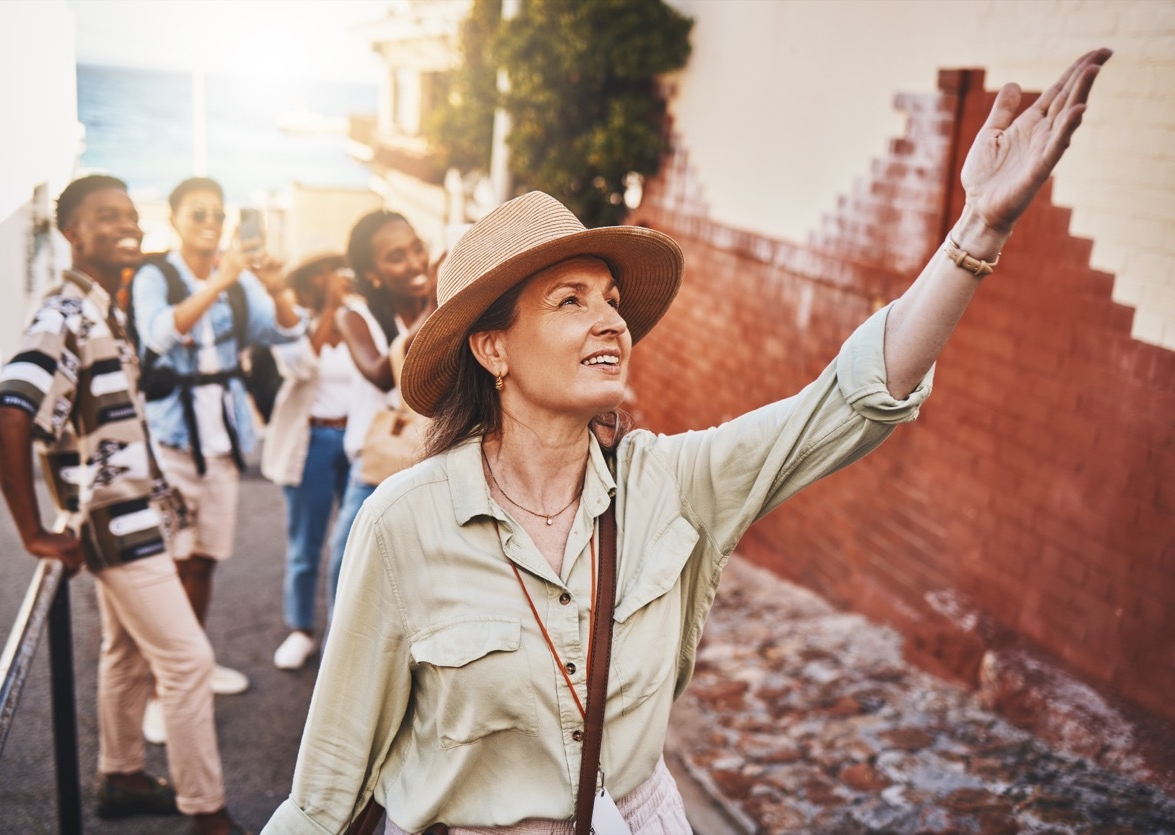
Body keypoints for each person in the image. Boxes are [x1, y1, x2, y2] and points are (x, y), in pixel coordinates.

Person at [264, 49, 1111, 834]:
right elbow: (326, 786)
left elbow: (847, 401)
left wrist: (977, 234)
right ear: (492, 349)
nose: (611, 321)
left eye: (611, 299)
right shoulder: (403, 525)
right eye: (570, 301)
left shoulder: (670, 483)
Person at [0, 175, 248, 835]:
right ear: (71, 233)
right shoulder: (65, 314)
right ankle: (206, 812)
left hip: (135, 516)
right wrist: (35, 532)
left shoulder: (106, 309)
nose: (125, 225)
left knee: (126, 651)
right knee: (186, 662)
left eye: (131, 215)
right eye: (105, 216)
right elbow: (10, 411)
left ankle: (122, 774)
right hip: (116, 525)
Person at [131, 177, 305, 719]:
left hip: (223, 443)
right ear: (175, 218)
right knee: (171, 567)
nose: (209, 222)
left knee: (204, 562)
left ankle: (194, 668)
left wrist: (275, 288)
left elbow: (287, 338)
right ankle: (165, 689)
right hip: (172, 442)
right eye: (197, 213)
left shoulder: (238, 282)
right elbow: (158, 334)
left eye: (216, 214)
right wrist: (221, 280)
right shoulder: (155, 275)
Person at [323, 211, 435, 618]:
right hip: (375, 471)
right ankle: (339, 671)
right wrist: (437, 306)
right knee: (348, 578)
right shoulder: (354, 316)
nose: (415, 263)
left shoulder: (443, 307)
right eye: (396, 257)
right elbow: (378, 373)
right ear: (371, 273)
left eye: (416, 248)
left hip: (430, 466)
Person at [260, 254, 363, 670]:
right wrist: (332, 310)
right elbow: (302, 366)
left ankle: (347, 633)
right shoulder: (292, 320)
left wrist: (344, 310)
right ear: (306, 279)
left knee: (355, 543)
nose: (331, 277)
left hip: (357, 440)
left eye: (335, 270)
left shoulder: (360, 318)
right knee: (306, 544)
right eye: (320, 271)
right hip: (313, 440)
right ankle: (300, 629)